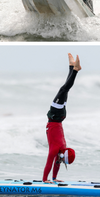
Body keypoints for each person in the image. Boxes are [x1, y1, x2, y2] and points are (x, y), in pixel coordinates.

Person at [42, 53, 81, 183]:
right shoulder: (57, 149)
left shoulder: (62, 147)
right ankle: (74, 70)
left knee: (65, 90)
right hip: (56, 116)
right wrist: (45, 179)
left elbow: (55, 162)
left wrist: (53, 179)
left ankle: (72, 67)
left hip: (60, 117)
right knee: (64, 89)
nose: (59, 160)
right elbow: (50, 163)